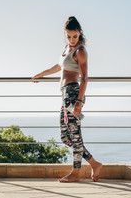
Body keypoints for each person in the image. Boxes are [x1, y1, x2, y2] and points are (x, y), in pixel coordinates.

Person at [31, 16, 102, 182]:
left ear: (80, 33)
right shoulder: (66, 48)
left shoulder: (80, 51)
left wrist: (79, 100)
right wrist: (41, 74)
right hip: (65, 95)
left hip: (73, 94)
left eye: (74, 36)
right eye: (68, 36)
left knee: (75, 136)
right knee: (66, 137)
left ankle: (76, 173)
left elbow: (84, 77)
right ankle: (94, 163)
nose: (71, 39)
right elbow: (59, 66)